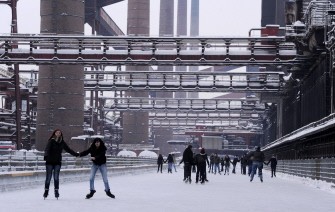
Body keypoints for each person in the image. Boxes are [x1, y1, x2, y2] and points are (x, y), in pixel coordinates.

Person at [43, 129, 79, 199]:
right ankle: (46, 191)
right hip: (49, 161)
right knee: (48, 177)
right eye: (57, 132)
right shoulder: (51, 141)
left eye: (59, 133)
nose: (58, 134)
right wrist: (45, 156)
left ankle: (56, 191)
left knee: (56, 177)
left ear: (61, 134)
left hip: (57, 162)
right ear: (54, 133)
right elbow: (47, 149)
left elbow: (68, 150)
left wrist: (76, 154)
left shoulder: (62, 142)